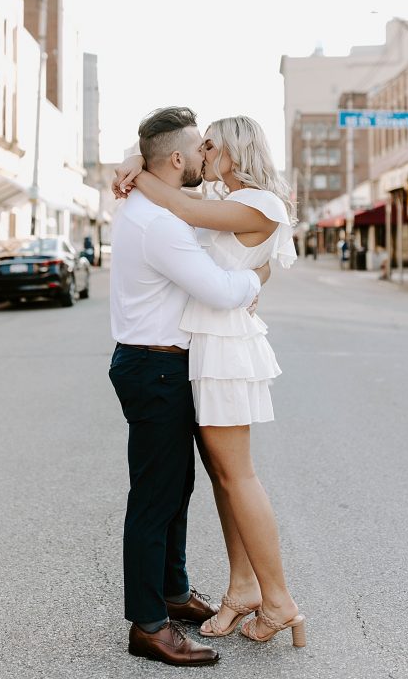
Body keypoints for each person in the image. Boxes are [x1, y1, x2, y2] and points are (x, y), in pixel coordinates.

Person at [114, 115, 306, 649]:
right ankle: (241, 589)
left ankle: (277, 600)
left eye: (210, 144)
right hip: (200, 348)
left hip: (222, 348)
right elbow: (192, 215)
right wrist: (139, 161)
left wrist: (138, 169)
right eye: (198, 146)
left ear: (233, 150)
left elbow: (187, 212)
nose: (203, 151)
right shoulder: (223, 201)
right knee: (220, 478)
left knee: (235, 476)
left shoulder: (257, 204)